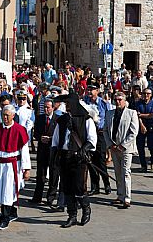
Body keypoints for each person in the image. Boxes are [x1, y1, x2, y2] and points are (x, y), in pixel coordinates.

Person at [53, 93, 97, 227]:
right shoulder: (62, 120)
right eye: (65, 104)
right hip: (64, 157)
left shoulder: (86, 119)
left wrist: (83, 150)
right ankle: (72, 216)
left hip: (78, 159)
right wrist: (55, 154)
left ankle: (86, 210)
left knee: (79, 187)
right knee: (67, 188)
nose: (66, 107)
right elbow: (56, 140)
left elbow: (92, 139)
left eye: (68, 104)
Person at [0, 105, 31, 230]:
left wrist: (27, 169)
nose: (5, 117)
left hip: (12, 165)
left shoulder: (19, 130)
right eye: (3, 115)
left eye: (7, 115)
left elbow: (24, 151)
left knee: (7, 191)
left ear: (13, 115)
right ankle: (12, 212)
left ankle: (4, 218)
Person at [103, 92, 139, 209]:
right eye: (116, 100)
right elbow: (105, 130)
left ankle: (127, 197)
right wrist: (110, 144)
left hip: (126, 148)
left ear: (124, 101)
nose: (117, 102)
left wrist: (123, 145)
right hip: (114, 147)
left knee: (126, 171)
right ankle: (120, 195)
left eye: (120, 100)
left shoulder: (131, 113)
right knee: (117, 172)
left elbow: (133, 132)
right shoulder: (109, 113)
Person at [83, 82, 111, 195]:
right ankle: (95, 186)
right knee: (91, 161)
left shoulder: (103, 103)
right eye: (88, 89)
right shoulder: (84, 102)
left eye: (92, 89)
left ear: (97, 91)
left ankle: (107, 184)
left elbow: (108, 118)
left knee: (101, 160)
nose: (89, 92)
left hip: (100, 134)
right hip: (89, 133)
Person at [30, 99, 59, 204]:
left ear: (53, 108)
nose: (46, 109)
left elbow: (59, 135)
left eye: (48, 107)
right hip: (42, 149)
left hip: (53, 150)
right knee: (40, 174)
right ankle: (37, 197)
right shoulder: (39, 118)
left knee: (53, 174)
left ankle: (50, 197)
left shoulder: (57, 119)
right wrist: (40, 137)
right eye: (45, 107)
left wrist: (50, 139)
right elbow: (35, 133)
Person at [136, 88, 153, 172]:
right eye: (145, 93)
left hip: (151, 126)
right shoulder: (138, 103)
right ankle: (143, 165)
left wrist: (141, 115)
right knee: (140, 146)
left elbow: (152, 115)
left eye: (148, 94)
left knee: (152, 145)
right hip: (141, 125)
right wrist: (141, 125)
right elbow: (137, 115)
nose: (146, 95)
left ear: (151, 95)